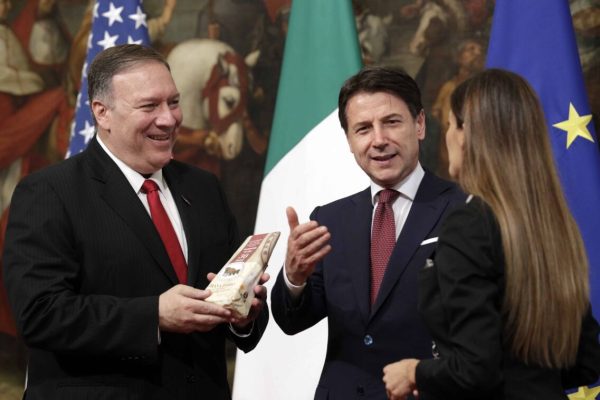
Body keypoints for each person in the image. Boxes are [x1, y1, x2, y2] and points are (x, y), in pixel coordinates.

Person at [2, 44, 269, 400]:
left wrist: (243, 315)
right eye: (150, 106)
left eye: (173, 102)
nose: (169, 119)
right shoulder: (49, 192)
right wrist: (153, 315)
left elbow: (227, 302)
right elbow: (40, 314)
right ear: (102, 113)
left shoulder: (203, 188)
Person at [382, 69, 600, 399]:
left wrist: (414, 371)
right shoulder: (553, 226)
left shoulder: (470, 223)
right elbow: (587, 361)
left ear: (467, 134)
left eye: (450, 123)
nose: (447, 135)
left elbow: (475, 368)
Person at [271, 66, 466, 399]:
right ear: (349, 141)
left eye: (391, 122)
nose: (378, 140)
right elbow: (293, 322)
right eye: (363, 129)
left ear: (419, 125)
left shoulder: (465, 210)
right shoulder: (329, 219)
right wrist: (294, 277)